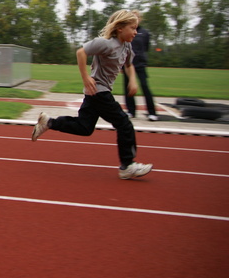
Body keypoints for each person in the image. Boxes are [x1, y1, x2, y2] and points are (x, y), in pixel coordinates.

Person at [31, 10, 153, 180]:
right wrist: (86, 77)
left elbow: (129, 65)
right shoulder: (106, 44)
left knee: (84, 127)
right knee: (124, 124)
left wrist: (133, 80)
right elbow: (81, 53)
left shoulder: (126, 46)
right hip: (99, 91)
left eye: (136, 28)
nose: (135, 32)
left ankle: (49, 122)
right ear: (119, 28)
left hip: (94, 93)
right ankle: (127, 165)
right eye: (132, 28)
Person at [123, 10, 158, 121]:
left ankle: (152, 113)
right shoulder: (126, 31)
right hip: (127, 64)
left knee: (145, 87)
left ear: (140, 19)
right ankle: (131, 111)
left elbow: (146, 48)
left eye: (137, 17)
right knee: (128, 88)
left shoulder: (145, 33)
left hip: (140, 64)